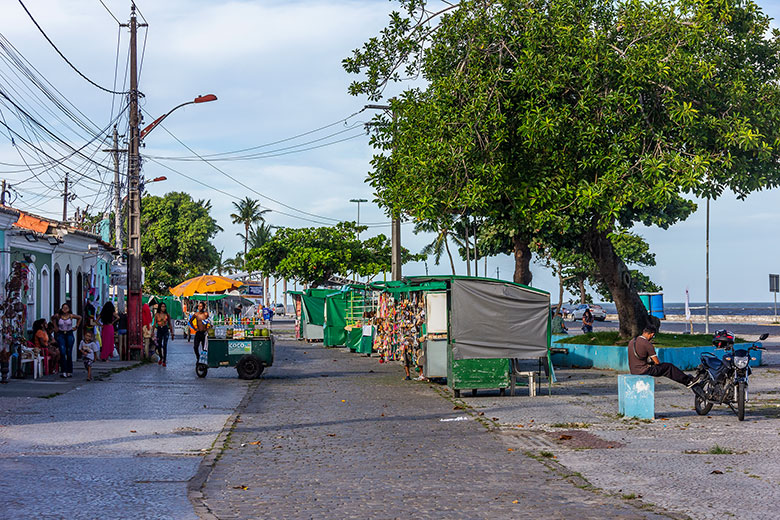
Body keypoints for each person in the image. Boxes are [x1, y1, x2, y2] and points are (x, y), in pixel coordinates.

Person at [628, 326, 701, 390]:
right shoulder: (647, 344)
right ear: (652, 334)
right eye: (653, 336)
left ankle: (687, 380)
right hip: (643, 371)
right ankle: (688, 381)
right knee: (668, 367)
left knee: (663, 367)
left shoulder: (632, 341)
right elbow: (657, 362)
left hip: (633, 370)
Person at [53, 303, 82, 378]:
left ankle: (69, 371)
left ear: (69, 309)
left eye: (67, 308)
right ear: (61, 309)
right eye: (64, 308)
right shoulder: (58, 316)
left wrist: (76, 326)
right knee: (62, 352)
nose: (65, 309)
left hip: (69, 334)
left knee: (69, 352)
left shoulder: (71, 316)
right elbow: (52, 318)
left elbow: (80, 317)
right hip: (61, 334)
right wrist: (55, 327)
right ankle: (63, 371)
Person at [155, 303, 175, 367]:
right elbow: (154, 323)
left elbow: (169, 324)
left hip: (165, 329)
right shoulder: (157, 315)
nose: (163, 308)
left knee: (165, 345)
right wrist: (152, 332)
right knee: (159, 345)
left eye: (164, 307)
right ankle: (161, 357)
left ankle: (164, 360)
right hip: (159, 330)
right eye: (162, 307)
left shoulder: (167, 315)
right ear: (160, 307)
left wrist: (172, 333)